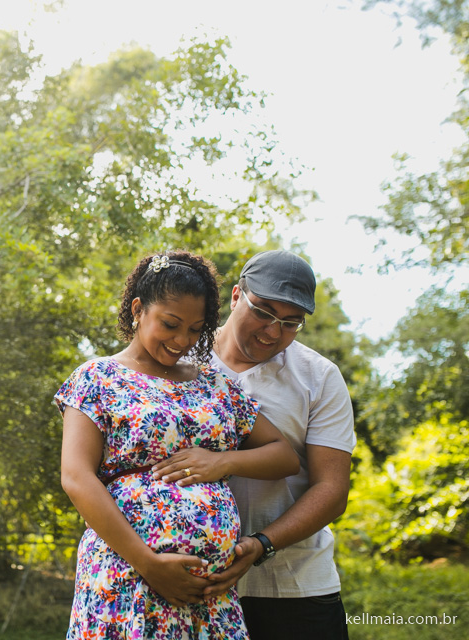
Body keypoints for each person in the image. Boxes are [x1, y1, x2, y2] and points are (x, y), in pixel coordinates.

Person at [55, 250, 300, 639]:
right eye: (170, 324)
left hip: (209, 595)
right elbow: (76, 478)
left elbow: (284, 457)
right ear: (138, 309)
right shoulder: (97, 378)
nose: (182, 340)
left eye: (195, 329)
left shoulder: (214, 384)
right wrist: (148, 563)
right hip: (126, 579)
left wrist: (223, 462)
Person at [203, 250, 356, 640]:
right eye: (264, 311)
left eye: (291, 323)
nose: (273, 332)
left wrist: (262, 545)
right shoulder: (181, 359)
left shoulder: (318, 377)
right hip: (193, 582)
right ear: (236, 296)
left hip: (295, 587)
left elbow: (332, 489)